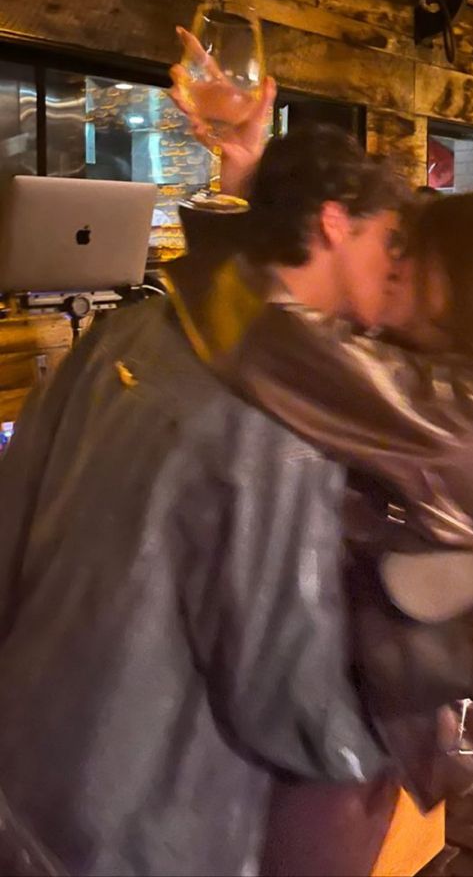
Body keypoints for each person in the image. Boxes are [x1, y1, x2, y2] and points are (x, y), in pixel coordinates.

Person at [0, 125, 407, 877]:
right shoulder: (286, 403)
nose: (393, 265)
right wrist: (406, 732)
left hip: (24, 761)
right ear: (331, 225)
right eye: (385, 239)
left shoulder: (122, 329)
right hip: (139, 822)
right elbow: (281, 696)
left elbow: (11, 507)